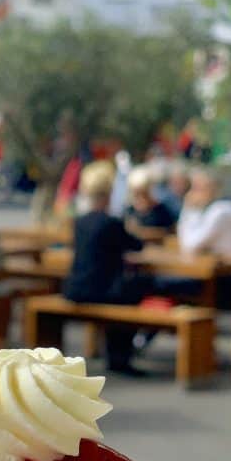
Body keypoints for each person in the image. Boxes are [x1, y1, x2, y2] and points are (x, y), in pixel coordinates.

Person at [63, 161, 153, 375]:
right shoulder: (110, 223)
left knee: (128, 291)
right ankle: (120, 357)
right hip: (102, 291)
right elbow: (136, 245)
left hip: (75, 289)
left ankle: (112, 352)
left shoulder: (80, 222)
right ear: (109, 193)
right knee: (136, 292)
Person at [177, 168, 231, 308]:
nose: (192, 193)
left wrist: (188, 208)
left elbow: (190, 245)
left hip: (229, 282)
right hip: (222, 277)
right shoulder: (220, 208)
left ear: (212, 188)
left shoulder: (221, 211)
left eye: (197, 188)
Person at [125, 165, 177, 234]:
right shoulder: (129, 211)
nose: (141, 198)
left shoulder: (161, 211)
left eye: (144, 193)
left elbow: (170, 232)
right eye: (137, 194)